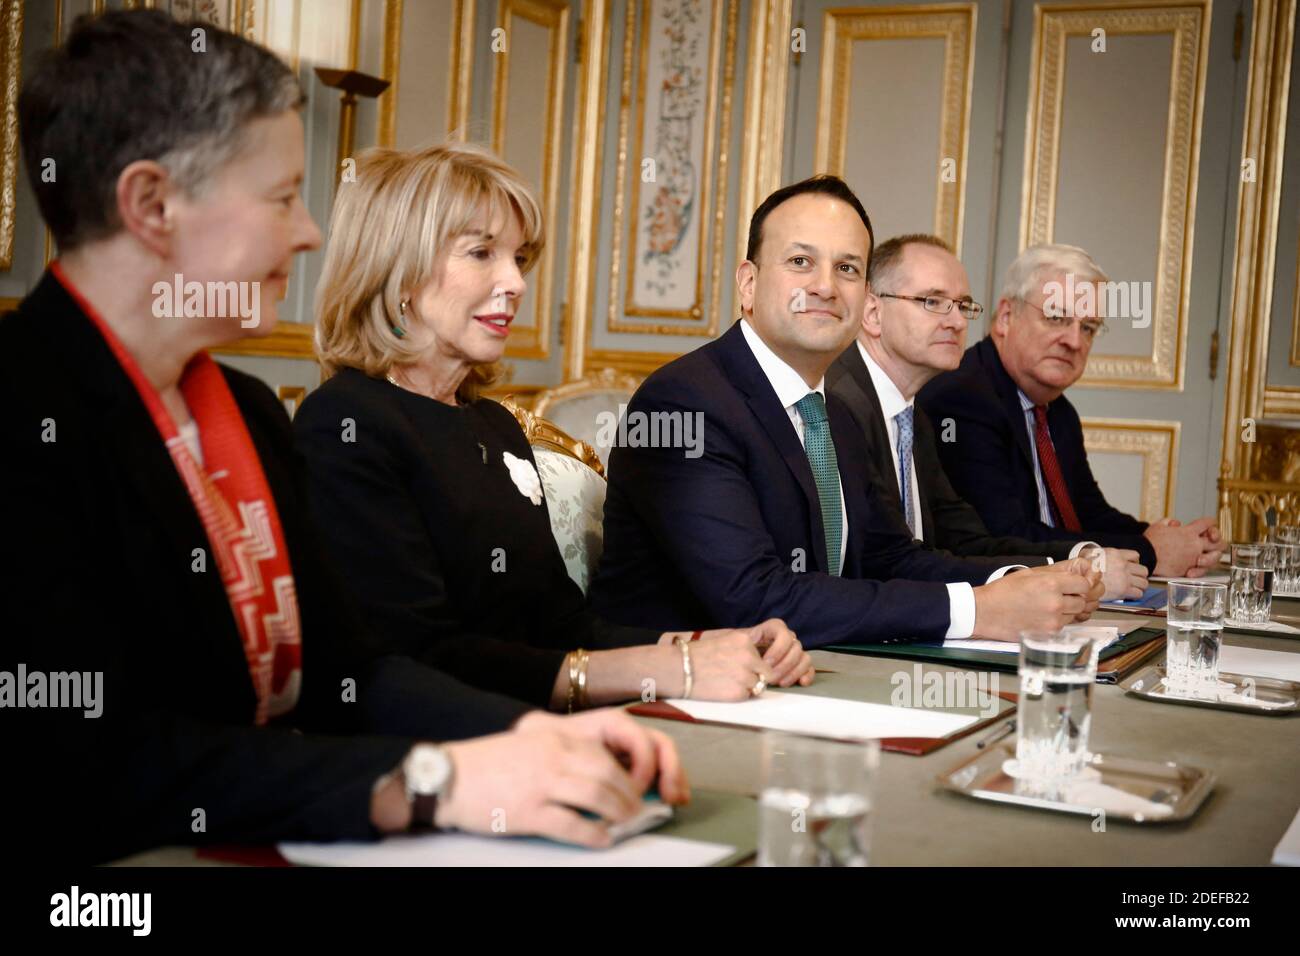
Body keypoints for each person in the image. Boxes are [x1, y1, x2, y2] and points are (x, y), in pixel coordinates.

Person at [2, 9, 684, 865]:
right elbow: (96, 761)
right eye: (283, 197)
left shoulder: (247, 409)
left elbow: (349, 671)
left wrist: (535, 737)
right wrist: (431, 780)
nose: (312, 231)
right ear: (152, 205)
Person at [294, 142, 813, 713]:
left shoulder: (492, 425)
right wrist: (666, 668)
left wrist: (705, 645)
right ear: (397, 272)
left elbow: (563, 626)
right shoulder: (345, 424)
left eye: (518, 258)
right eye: (482, 252)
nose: (515, 282)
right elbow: (415, 663)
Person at [590, 176, 1102, 649]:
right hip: (669, 707)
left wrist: (1019, 579)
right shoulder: (684, 403)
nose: (825, 287)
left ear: (863, 299)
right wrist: (976, 610)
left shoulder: (833, 412)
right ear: (748, 284)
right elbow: (754, 599)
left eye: (847, 269)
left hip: (808, 677)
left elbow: (888, 556)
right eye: (799, 263)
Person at [826, 234, 1148, 600]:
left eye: (962, 306)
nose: (957, 322)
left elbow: (966, 539)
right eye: (933, 301)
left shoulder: (912, 416)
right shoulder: (838, 402)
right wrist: (1061, 577)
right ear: (872, 312)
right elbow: (889, 563)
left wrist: (1079, 561)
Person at [917, 243, 1222, 578]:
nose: (1074, 341)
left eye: (1088, 327)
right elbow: (1006, 536)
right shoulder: (963, 398)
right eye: (1056, 317)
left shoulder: (1058, 411)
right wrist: (1149, 551)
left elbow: (1088, 513)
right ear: (1006, 317)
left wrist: (1173, 540)